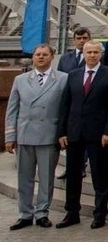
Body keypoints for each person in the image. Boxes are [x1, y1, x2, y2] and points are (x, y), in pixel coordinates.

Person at [57, 40, 108, 229]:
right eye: (89, 52)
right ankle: (72, 212)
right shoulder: (74, 75)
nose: (92, 55)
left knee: (99, 175)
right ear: (83, 54)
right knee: (74, 174)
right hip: (74, 132)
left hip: (99, 134)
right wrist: (62, 132)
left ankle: (100, 213)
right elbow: (65, 105)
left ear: (101, 54)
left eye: (95, 52)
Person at [5, 43, 66, 229]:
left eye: (44, 54)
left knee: (46, 178)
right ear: (33, 58)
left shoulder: (63, 79)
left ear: (52, 57)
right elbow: (12, 109)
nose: (40, 57)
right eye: (37, 54)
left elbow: (66, 109)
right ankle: (25, 214)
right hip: (25, 134)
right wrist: (10, 136)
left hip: (49, 135)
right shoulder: (21, 80)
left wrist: (63, 133)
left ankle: (42, 213)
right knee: (24, 176)